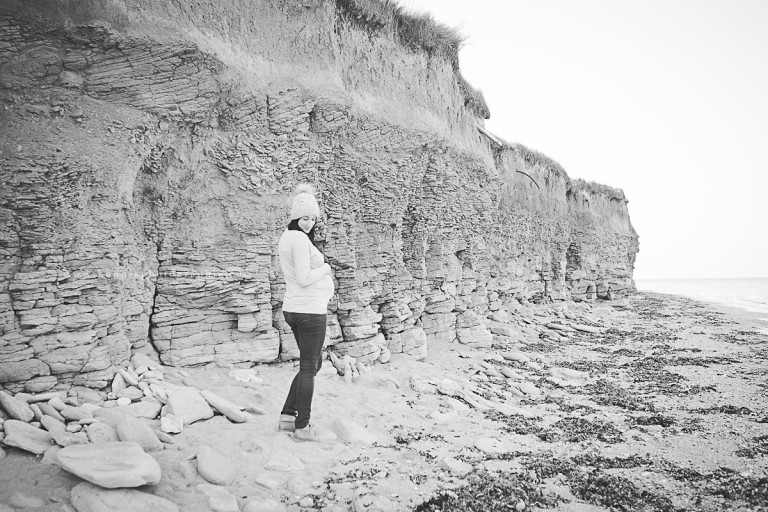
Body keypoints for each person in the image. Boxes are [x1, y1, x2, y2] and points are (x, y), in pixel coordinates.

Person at [276, 184, 334, 441]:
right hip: (309, 311)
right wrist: (326, 269)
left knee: (314, 363)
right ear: (295, 216)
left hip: (295, 308)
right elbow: (303, 277)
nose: (309, 223)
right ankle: (303, 427)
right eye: (304, 218)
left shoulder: (287, 237)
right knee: (309, 367)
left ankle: (287, 417)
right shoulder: (299, 239)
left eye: (312, 219)